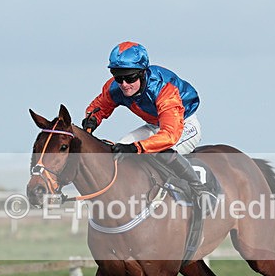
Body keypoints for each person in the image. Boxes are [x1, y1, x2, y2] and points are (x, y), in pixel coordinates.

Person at [83, 41, 216, 208]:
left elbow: (169, 135)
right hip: (155, 125)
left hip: (183, 125)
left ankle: (201, 190)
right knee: (120, 149)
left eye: (130, 77)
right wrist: (91, 120)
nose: (124, 84)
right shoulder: (116, 87)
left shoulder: (164, 90)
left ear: (142, 73)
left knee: (157, 152)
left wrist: (136, 148)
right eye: (118, 77)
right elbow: (100, 106)